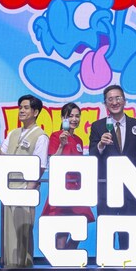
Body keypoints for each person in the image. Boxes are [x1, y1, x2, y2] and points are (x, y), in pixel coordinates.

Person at [0, 94, 49, 267]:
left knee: (23, 232)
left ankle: (24, 270)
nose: (21, 110)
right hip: (8, 191)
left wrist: (27, 193)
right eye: (20, 107)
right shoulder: (13, 133)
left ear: (35, 112)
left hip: (25, 192)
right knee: (9, 233)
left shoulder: (41, 136)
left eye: (26, 107)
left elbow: (40, 167)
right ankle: (9, 269)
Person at [89, 84, 136, 250]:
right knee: (106, 232)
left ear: (125, 100)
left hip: (131, 189)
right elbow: (92, 156)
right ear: (105, 103)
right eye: (110, 99)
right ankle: (105, 265)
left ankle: (128, 263)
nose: (114, 102)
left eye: (118, 98)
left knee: (128, 232)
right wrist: (100, 145)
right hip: (106, 189)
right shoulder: (98, 126)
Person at [41, 102, 95, 249]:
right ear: (63, 118)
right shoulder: (55, 136)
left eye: (77, 116)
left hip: (77, 189)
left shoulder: (79, 140)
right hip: (62, 187)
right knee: (62, 229)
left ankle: (68, 255)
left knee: (80, 227)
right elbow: (53, 161)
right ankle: (60, 259)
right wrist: (61, 145)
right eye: (70, 116)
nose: (74, 119)